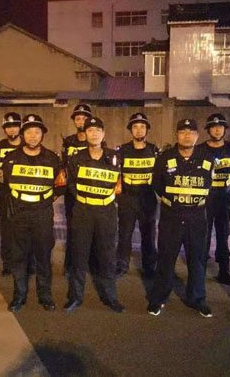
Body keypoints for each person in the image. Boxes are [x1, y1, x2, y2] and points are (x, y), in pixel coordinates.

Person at [147, 119, 214, 318]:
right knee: (166, 258)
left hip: (196, 217)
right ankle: (158, 298)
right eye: (183, 132)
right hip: (171, 216)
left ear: (197, 136)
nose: (187, 136)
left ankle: (197, 299)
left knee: (197, 259)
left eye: (191, 132)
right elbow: (157, 184)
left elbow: (210, 185)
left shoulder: (207, 158)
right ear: (177, 135)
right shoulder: (165, 158)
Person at [1, 114, 65, 312]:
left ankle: (45, 295)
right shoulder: (11, 158)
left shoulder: (52, 158)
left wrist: (43, 200)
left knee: (43, 256)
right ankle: (19, 295)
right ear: (23, 134)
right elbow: (5, 185)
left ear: (42, 134)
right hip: (19, 212)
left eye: (37, 132)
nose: (33, 136)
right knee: (18, 256)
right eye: (29, 132)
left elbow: (60, 186)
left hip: (42, 213)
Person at [65, 117, 125, 313]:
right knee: (79, 256)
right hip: (83, 211)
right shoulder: (76, 158)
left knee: (107, 256)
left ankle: (111, 298)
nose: (94, 134)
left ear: (103, 134)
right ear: (85, 134)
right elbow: (71, 184)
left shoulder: (114, 157)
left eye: (98, 130)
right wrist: (84, 198)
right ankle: (75, 297)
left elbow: (118, 182)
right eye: (90, 130)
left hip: (106, 212)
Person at [196, 113, 230, 285]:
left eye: (220, 126)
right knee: (203, 234)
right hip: (205, 199)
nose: (217, 130)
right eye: (213, 127)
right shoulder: (200, 150)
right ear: (208, 130)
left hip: (224, 199)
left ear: (224, 129)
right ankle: (199, 270)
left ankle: (224, 270)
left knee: (223, 234)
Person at [116, 112, 159, 278]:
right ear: (130, 130)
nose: (139, 130)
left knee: (149, 234)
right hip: (127, 199)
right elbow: (116, 175)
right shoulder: (122, 151)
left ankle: (149, 266)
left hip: (147, 198)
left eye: (142, 126)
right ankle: (122, 265)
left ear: (147, 129)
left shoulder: (154, 150)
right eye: (135, 127)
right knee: (124, 234)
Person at [61, 104, 93, 273]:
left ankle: (90, 262)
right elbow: (63, 165)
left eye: (84, 118)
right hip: (71, 192)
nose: (81, 121)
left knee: (91, 228)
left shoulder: (95, 141)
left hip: (90, 191)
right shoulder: (68, 141)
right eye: (78, 118)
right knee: (72, 228)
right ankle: (70, 263)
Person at [0, 112, 23, 275]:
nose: (11, 130)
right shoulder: (0, 146)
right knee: (6, 228)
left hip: (23, 194)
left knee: (24, 228)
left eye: (15, 126)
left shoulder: (27, 144)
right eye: (8, 127)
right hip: (4, 194)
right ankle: (8, 262)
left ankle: (25, 262)